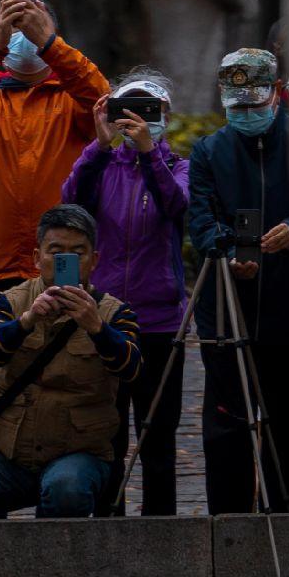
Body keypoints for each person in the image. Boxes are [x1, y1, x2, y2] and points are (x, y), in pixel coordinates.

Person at [0, 0, 110, 394]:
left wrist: (50, 44)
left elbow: (101, 98)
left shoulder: (71, 100)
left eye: (31, 25)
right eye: (15, 26)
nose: (24, 36)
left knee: (63, 379)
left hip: (62, 265)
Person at [0, 202, 138, 520]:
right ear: (37, 257)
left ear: (94, 260)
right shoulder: (9, 302)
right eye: (55, 251)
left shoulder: (114, 312)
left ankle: (54, 553)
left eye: (77, 253)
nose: (64, 260)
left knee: (66, 489)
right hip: (7, 451)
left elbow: (132, 368)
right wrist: (26, 321)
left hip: (78, 452)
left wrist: (96, 327)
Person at [61, 70, 189, 515]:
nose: (138, 119)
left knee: (158, 435)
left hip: (160, 321)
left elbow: (176, 206)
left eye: (149, 110)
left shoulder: (178, 168)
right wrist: (99, 146)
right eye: (128, 109)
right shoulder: (102, 166)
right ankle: (107, 527)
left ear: (165, 116)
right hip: (105, 318)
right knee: (106, 435)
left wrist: (149, 154)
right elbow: (71, 205)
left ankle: (162, 530)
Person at [186, 44, 289, 514]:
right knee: (226, 428)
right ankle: (229, 527)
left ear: (276, 93)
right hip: (226, 311)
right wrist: (229, 251)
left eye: (255, 105)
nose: (247, 115)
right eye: (237, 108)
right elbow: (201, 221)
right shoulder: (208, 151)